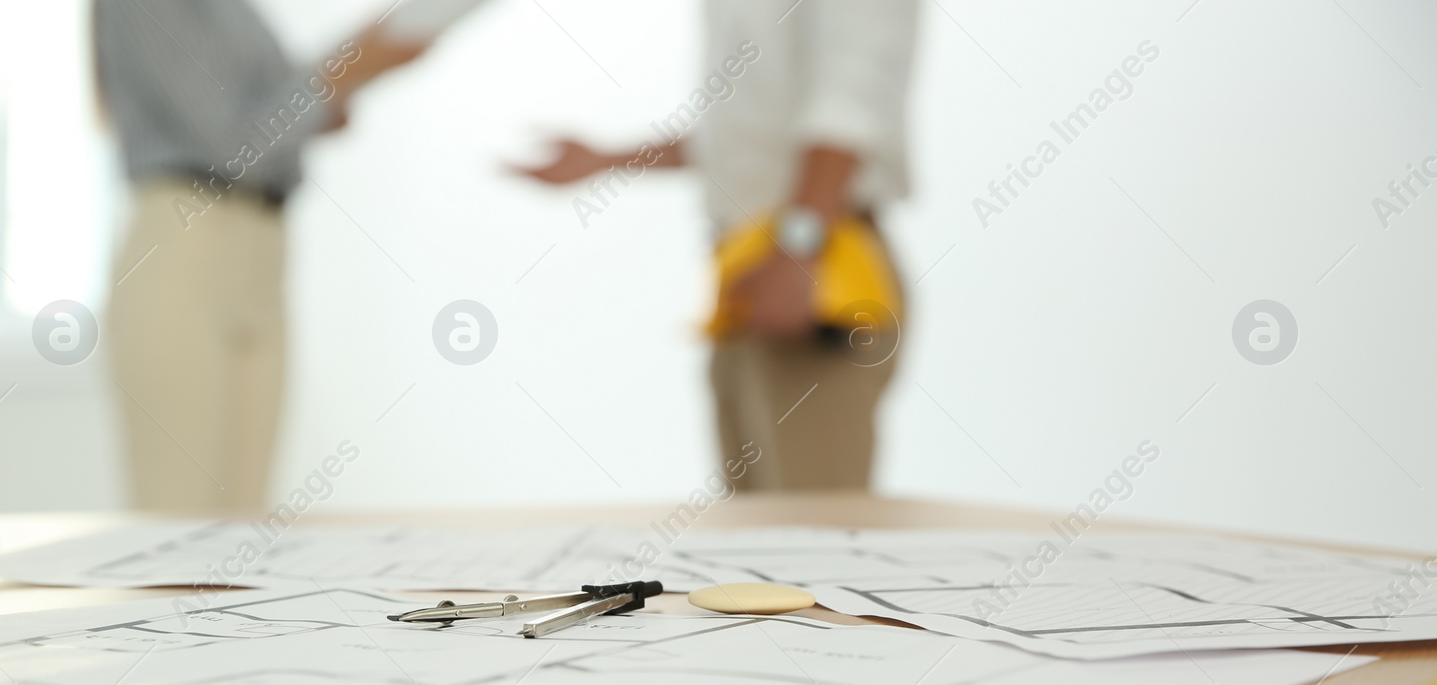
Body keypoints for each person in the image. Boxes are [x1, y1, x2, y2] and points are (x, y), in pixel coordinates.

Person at [520, 0, 919, 491]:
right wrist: (604, 160)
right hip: (752, 272)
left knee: (816, 529)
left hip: (816, 270)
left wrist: (796, 252)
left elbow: (848, 110)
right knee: (753, 531)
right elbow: (739, 141)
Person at [94, 2, 425, 510]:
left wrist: (339, 75)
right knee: (179, 525)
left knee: (244, 531)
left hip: (262, 247)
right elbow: (229, 142)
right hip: (186, 238)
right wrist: (338, 76)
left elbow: (270, 113)